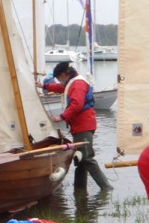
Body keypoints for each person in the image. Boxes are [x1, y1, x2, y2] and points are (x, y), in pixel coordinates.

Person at [43, 61, 112, 192]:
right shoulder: (71, 82)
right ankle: (79, 190)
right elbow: (60, 88)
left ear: (64, 74)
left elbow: (77, 104)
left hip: (84, 126)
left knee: (86, 158)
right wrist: (44, 86)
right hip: (79, 126)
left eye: (59, 78)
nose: (59, 81)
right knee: (79, 160)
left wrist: (62, 117)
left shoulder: (78, 84)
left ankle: (107, 189)